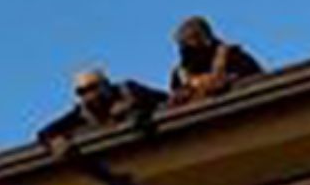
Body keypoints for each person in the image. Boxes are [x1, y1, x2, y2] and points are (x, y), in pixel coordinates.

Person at [36, 69, 167, 157]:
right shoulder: (82, 113)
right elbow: (45, 132)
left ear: (105, 85)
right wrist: (54, 142)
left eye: (92, 88)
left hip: (157, 144)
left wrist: (134, 105)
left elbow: (162, 98)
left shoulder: (128, 90)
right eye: (82, 92)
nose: (89, 96)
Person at [168, 16, 263, 107]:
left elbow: (258, 83)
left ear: (205, 39)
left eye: (192, 40)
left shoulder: (233, 57)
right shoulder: (180, 73)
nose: (186, 49)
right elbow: (172, 104)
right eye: (183, 44)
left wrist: (227, 82)